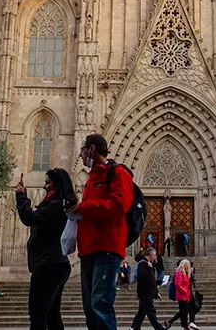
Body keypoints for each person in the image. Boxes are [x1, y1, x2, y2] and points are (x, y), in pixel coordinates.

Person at [72, 134, 134, 330]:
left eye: (82, 150)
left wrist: (84, 207)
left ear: (91, 150)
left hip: (107, 248)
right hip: (89, 249)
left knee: (100, 304)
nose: (80, 155)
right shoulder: (91, 179)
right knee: (90, 307)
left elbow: (119, 206)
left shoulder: (118, 173)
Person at [16, 168, 77, 330]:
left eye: (48, 182)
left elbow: (30, 218)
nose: (44, 186)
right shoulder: (58, 204)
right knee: (51, 315)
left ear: (57, 185)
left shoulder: (56, 206)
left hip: (48, 264)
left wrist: (22, 196)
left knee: (38, 316)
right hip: (56, 263)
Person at [130, 247, 165, 330]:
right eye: (155, 255)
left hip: (147, 293)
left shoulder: (149, 264)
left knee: (142, 312)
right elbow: (142, 277)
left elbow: (152, 281)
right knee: (151, 312)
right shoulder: (143, 264)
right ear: (151, 255)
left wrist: (157, 291)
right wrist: (149, 268)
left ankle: (135, 327)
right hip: (145, 294)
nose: (155, 257)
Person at [165, 259, 196, 330]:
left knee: (184, 310)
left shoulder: (186, 272)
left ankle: (173, 323)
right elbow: (177, 284)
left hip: (186, 294)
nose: (188, 267)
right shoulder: (179, 272)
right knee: (184, 310)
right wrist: (184, 291)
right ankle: (184, 326)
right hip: (182, 294)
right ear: (184, 265)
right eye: (187, 265)